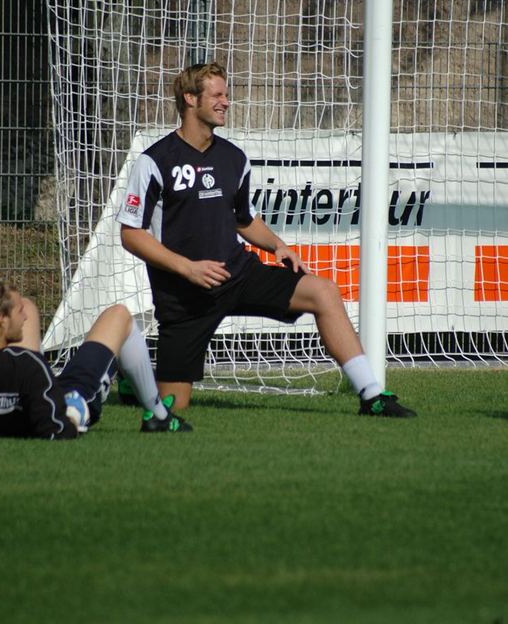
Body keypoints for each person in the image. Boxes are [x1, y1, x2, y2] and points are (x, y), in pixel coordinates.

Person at [117, 61, 416, 418]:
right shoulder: (155, 162)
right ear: (190, 98)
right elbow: (131, 234)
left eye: (227, 94)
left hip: (239, 275)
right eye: (217, 95)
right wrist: (188, 268)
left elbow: (243, 220)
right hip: (185, 297)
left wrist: (277, 245)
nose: (226, 101)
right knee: (171, 409)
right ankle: (134, 379)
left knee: (324, 291)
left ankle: (372, 395)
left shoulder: (234, 159)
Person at [0, 279, 192, 439]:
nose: (23, 317)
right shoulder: (28, 365)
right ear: (1, 319)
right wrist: (71, 417)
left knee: (29, 306)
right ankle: (158, 415)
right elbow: (55, 429)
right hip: (70, 400)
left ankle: (136, 394)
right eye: (17, 312)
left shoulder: (7, 365)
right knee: (119, 315)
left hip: (36, 395)